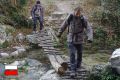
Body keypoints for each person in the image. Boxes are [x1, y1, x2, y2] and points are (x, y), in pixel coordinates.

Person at [57, 6, 93, 78]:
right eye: (76, 13)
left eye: (79, 14)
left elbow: (88, 28)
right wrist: (59, 33)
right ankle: (73, 70)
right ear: (74, 12)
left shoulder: (83, 18)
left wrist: (90, 37)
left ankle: (78, 65)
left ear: (81, 13)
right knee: (72, 54)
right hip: (71, 39)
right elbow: (64, 25)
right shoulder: (70, 17)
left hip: (79, 39)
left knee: (80, 53)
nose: (77, 15)